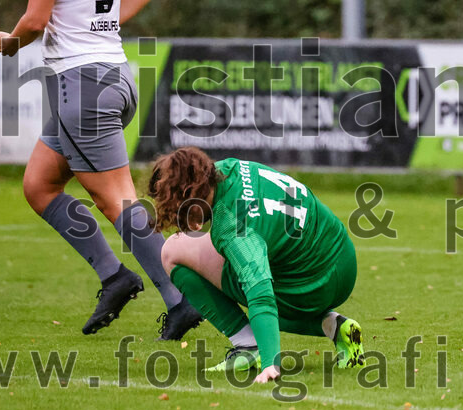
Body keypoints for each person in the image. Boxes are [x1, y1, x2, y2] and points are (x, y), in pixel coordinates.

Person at [0, 0, 201, 340]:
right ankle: (114, 276)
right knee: (39, 186)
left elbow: (36, 21)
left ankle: (181, 299)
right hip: (113, 79)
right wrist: (98, 26)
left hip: (84, 87)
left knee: (118, 203)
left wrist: (13, 43)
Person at [149, 147, 365, 383]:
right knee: (190, 250)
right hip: (342, 257)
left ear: (190, 193)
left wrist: (271, 362)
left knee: (173, 252)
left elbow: (260, 292)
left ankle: (249, 346)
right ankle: (334, 327)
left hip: (313, 283)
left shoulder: (232, 226)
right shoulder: (227, 168)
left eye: (176, 203)